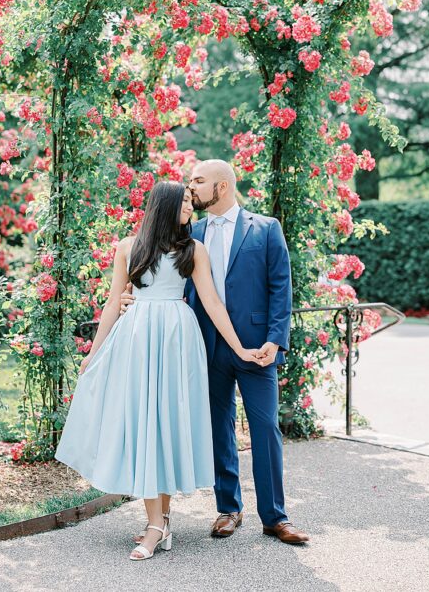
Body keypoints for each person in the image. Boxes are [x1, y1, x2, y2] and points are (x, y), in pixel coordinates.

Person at [55, 181, 265, 561]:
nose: (191, 208)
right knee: (145, 426)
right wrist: (93, 351)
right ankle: (158, 522)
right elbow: (110, 304)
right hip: (136, 339)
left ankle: (157, 523)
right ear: (166, 206)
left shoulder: (193, 250)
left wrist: (240, 349)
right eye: (185, 202)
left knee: (164, 426)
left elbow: (214, 304)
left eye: (191, 202)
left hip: (176, 341)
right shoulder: (127, 247)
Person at [119, 159, 309, 545]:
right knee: (219, 428)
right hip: (205, 346)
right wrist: (129, 298)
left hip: (257, 349)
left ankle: (275, 517)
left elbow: (280, 289)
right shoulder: (191, 234)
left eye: (199, 182)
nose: (192, 189)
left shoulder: (267, 229)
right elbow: (164, 280)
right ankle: (228, 509)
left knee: (265, 429)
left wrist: (275, 339)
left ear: (221, 187)